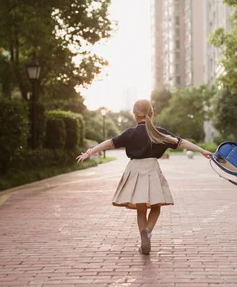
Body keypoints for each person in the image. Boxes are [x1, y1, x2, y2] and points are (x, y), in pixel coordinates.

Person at [76, 99, 212, 255]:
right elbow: (181, 143)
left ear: (134, 115)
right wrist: (202, 150)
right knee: (156, 207)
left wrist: (89, 153)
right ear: (152, 113)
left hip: (134, 170)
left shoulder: (130, 133)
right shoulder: (159, 132)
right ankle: (147, 231)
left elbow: (109, 143)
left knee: (141, 211)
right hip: (152, 170)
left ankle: (143, 237)